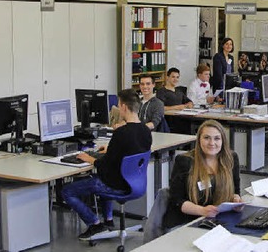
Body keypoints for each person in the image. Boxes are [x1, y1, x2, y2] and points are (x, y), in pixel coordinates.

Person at [61, 89, 152, 241]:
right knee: (102, 176)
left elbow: (105, 165)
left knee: (67, 191)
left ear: (123, 107)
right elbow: (130, 151)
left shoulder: (121, 133)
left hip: (116, 184)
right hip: (136, 183)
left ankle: (94, 224)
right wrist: (112, 149)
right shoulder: (145, 130)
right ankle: (108, 220)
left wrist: (90, 159)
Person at [162, 120, 241, 230]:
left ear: (223, 140)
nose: (212, 143)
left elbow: (235, 191)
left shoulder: (231, 158)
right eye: (206, 138)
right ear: (199, 140)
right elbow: (177, 201)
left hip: (217, 218)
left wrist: (236, 200)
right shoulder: (185, 161)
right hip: (186, 221)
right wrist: (202, 211)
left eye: (217, 138)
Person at [157, 68, 193, 134]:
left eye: (177, 77)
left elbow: (188, 101)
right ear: (167, 77)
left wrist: (190, 104)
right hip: (170, 121)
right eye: (173, 77)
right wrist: (176, 107)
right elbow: (160, 107)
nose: (175, 79)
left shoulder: (179, 91)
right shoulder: (161, 91)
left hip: (182, 119)